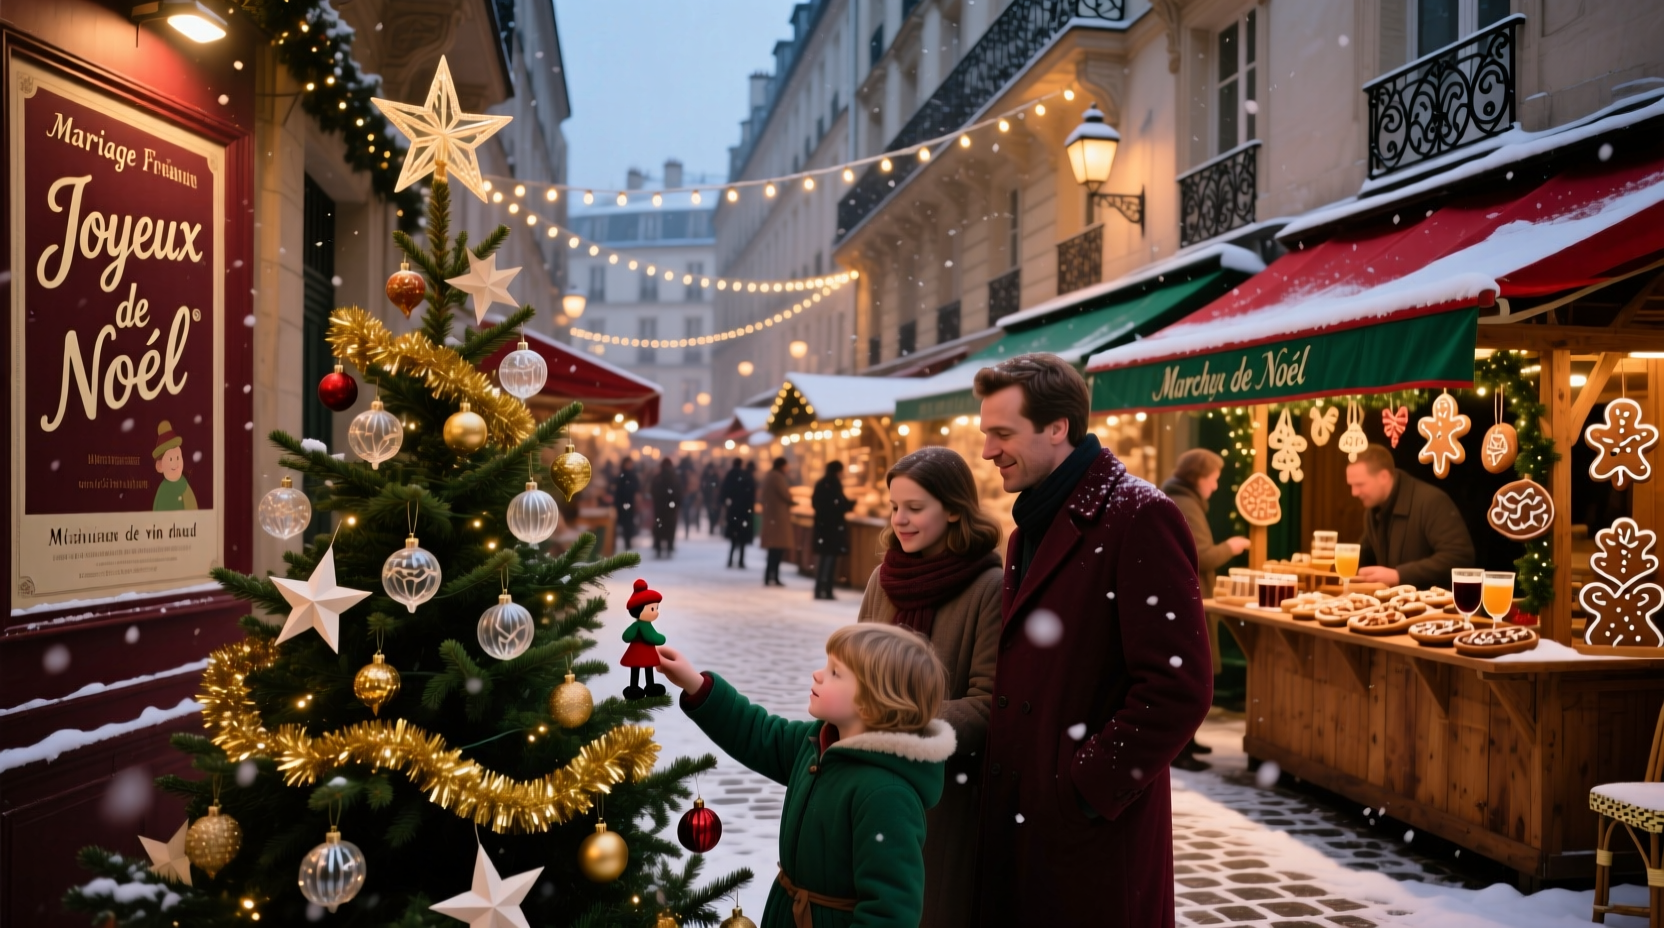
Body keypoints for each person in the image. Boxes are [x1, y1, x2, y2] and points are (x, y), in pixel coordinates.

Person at [971, 353, 1213, 927]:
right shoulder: (1031, 522)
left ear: (1058, 428)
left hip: (1089, 837)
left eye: (1002, 434)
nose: (987, 451)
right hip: (1025, 819)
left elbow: (1179, 687)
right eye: (986, 434)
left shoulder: (1139, 514)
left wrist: (1083, 787)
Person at [655, 624, 953, 928]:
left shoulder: (886, 796)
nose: (818, 674)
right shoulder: (817, 742)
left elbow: (891, 913)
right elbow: (758, 734)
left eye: (836, 673)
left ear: (874, 703)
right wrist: (695, 685)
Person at [857, 446, 1002, 928]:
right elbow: (852, 670)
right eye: (895, 506)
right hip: (871, 785)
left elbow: (987, 704)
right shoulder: (884, 578)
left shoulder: (989, 587)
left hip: (942, 797)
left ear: (955, 509)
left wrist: (899, 724)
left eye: (915, 508)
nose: (900, 519)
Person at [1161, 448, 1251, 771]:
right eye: (1213, 480)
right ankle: (1181, 750)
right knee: (1188, 679)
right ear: (1198, 478)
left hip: (1180, 602)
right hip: (1187, 603)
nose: (1215, 487)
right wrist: (1233, 547)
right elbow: (1202, 556)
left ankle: (1186, 744)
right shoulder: (1186, 504)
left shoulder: (1178, 499)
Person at [1348, 443, 1476, 588]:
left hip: (1435, 607)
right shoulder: (1373, 511)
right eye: (1351, 485)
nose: (1354, 493)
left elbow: (1460, 556)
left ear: (1383, 477)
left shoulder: (1431, 501)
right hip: (1393, 606)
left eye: (1360, 484)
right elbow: (1364, 555)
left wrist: (1399, 575)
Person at [812, 461, 854, 600]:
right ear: (838, 471)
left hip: (822, 527)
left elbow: (815, 503)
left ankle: (819, 589)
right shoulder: (834, 484)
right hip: (833, 527)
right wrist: (851, 504)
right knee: (830, 558)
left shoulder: (821, 483)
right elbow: (840, 504)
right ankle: (827, 589)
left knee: (823, 558)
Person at [760, 456, 795, 587]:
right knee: (776, 551)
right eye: (786, 466)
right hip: (778, 519)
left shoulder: (770, 476)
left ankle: (770, 576)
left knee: (773, 551)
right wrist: (792, 500)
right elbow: (785, 496)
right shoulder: (777, 477)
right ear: (782, 466)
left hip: (772, 518)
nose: (788, 468)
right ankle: (773, 576)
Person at [723, 459, 756, 568]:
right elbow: (750, 497)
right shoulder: (747, 479)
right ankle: (740, 561)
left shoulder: (733, 476)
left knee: (734, 538)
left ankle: (731, 560)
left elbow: (726, 491)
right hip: (743, 512)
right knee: (741, 539)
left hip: (734, 511)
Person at [651, 458, 681, 559]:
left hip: (659, 508)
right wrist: (676, 504)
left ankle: (658, 547)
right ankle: (669, 547)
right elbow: (678, 493)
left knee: (659, 527)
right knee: (670, 528)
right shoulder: (674, 478)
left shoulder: (658, 478)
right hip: (670, 508)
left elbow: (653, 491)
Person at [612, 457, 641, 551]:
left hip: (630, 502)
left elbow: (637, 489)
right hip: (621, 502)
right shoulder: (621, 475)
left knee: (628, 523)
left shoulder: (633, 476)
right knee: (621, 523)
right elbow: (617, 488)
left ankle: (627, 542)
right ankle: (615, 544)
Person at [702, 461, 723, 535]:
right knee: (712, 513)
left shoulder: (712, 477)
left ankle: (712, 526)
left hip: (712, 498)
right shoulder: (712, 477)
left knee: (713, 513)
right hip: (711, 498)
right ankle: (712, 526)